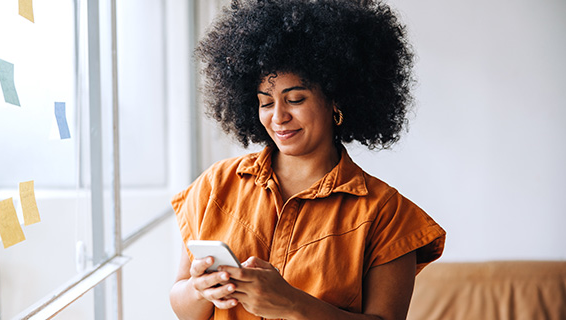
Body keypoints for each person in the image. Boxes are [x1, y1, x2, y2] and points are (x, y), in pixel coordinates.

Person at [169, 0, 446, 319]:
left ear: (336, 100)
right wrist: (200, 290)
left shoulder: (387, 214)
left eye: (295, 99)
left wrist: (291, 303)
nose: (278, 117)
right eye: (265, 103)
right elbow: (182, 303)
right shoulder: (216, 186)